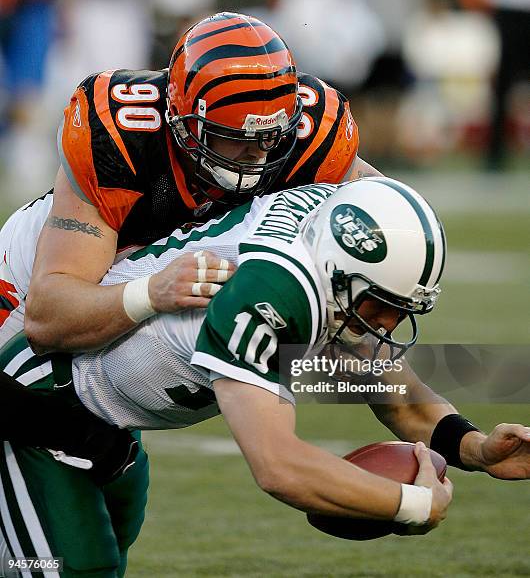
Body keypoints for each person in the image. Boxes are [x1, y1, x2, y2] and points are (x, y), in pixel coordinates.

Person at [1, 178, 528, 576]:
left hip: (106, 421)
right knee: (77, 567)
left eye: (398, 309)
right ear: (338, 269)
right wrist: (413, 505)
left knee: (106, 554)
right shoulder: (272, 289)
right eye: (378, 304)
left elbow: (389, 390)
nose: (385, 325)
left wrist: (476, 449)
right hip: (40, 401)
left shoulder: (324, 256)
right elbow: (279, 466)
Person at [0, 12, 374, 463]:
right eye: (232, 138)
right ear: (180, 119)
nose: (257, 156)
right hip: (31, 290)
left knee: (120, 489)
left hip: (141, 303)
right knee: (72, 456)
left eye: (271, 138)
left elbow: (386, 217)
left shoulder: (312, 139)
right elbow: (48, 315)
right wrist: (152, 292)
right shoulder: (122, 132)